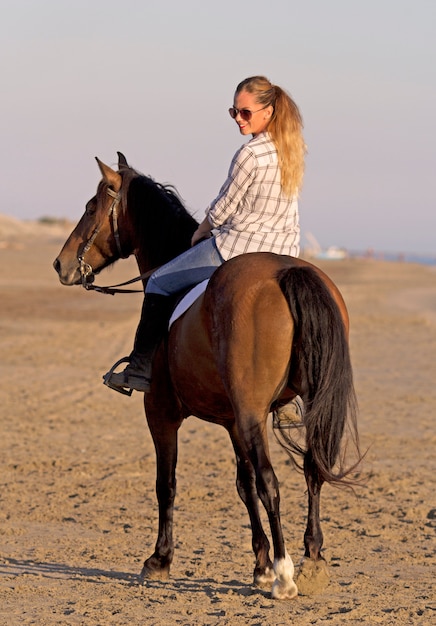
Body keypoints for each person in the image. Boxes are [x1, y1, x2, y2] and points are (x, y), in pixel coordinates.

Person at [104, 75, 306, 422]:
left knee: (160, 283)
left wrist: (201, 231)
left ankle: (139, 367)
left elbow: (225, 206)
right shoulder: (293, 149)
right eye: (233, 112)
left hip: (240, 247)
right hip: (285, 251)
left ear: (269, 111)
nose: (239, 120)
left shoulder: (250, 153)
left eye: (245, 112)